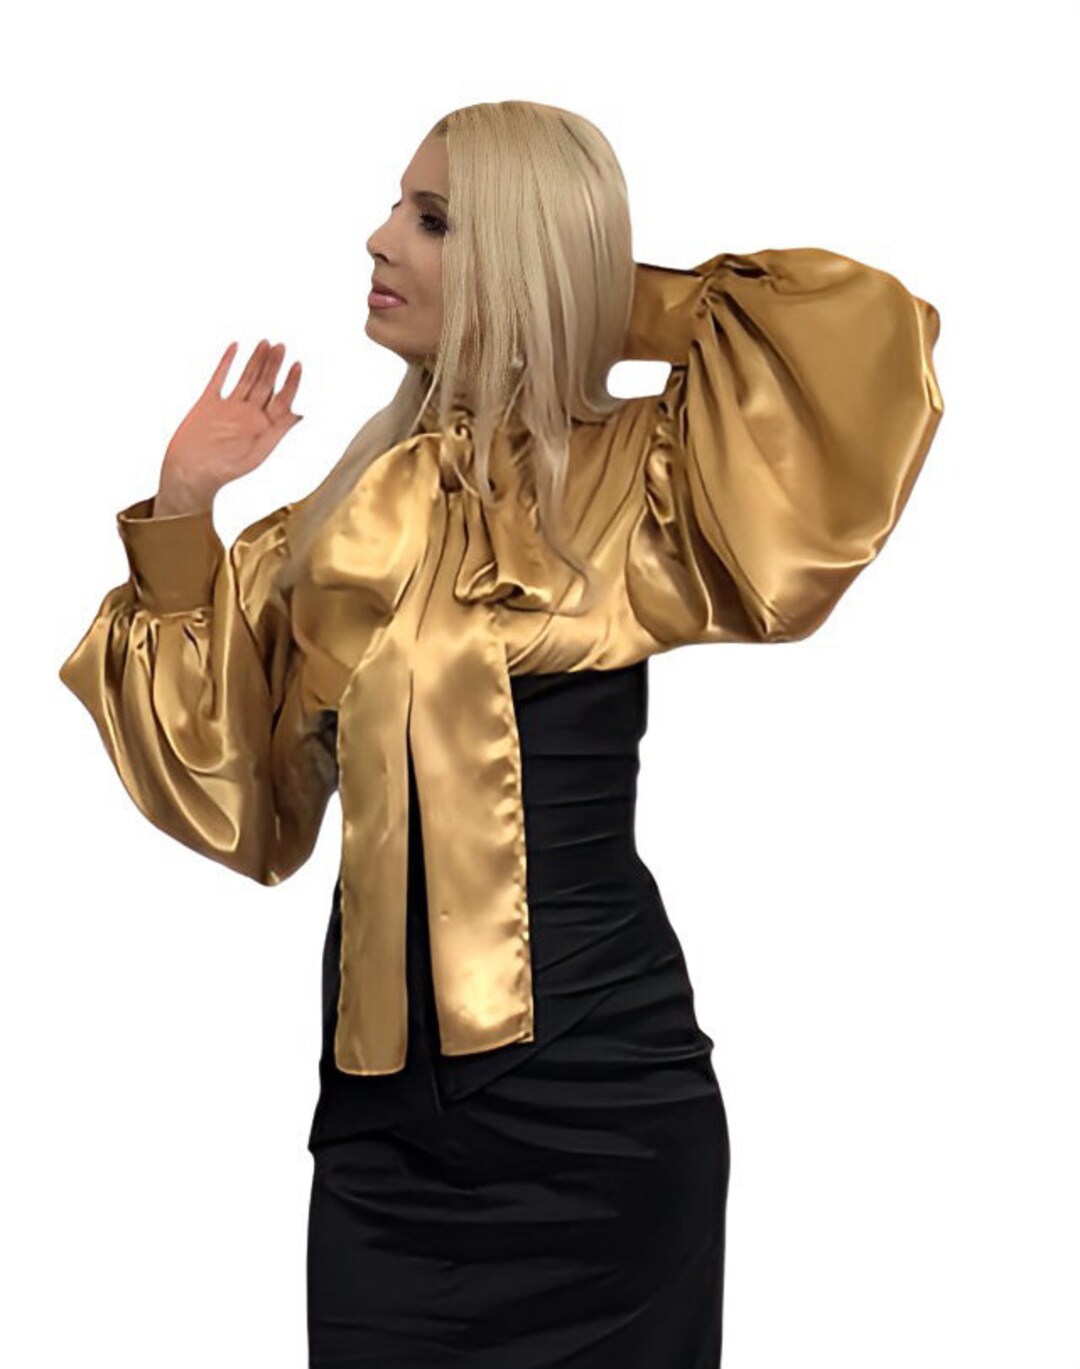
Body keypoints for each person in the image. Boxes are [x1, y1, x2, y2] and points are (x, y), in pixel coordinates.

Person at [58, 100, 945, 1368]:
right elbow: (229, 786)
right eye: (396, 208)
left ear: (521, 258)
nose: (380, 239)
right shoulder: (334, 522)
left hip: (607, 1109)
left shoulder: (643, 476)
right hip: (386, 1143)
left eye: (433, 221)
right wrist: (185, 504)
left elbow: (850, 339)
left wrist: (578, 297)